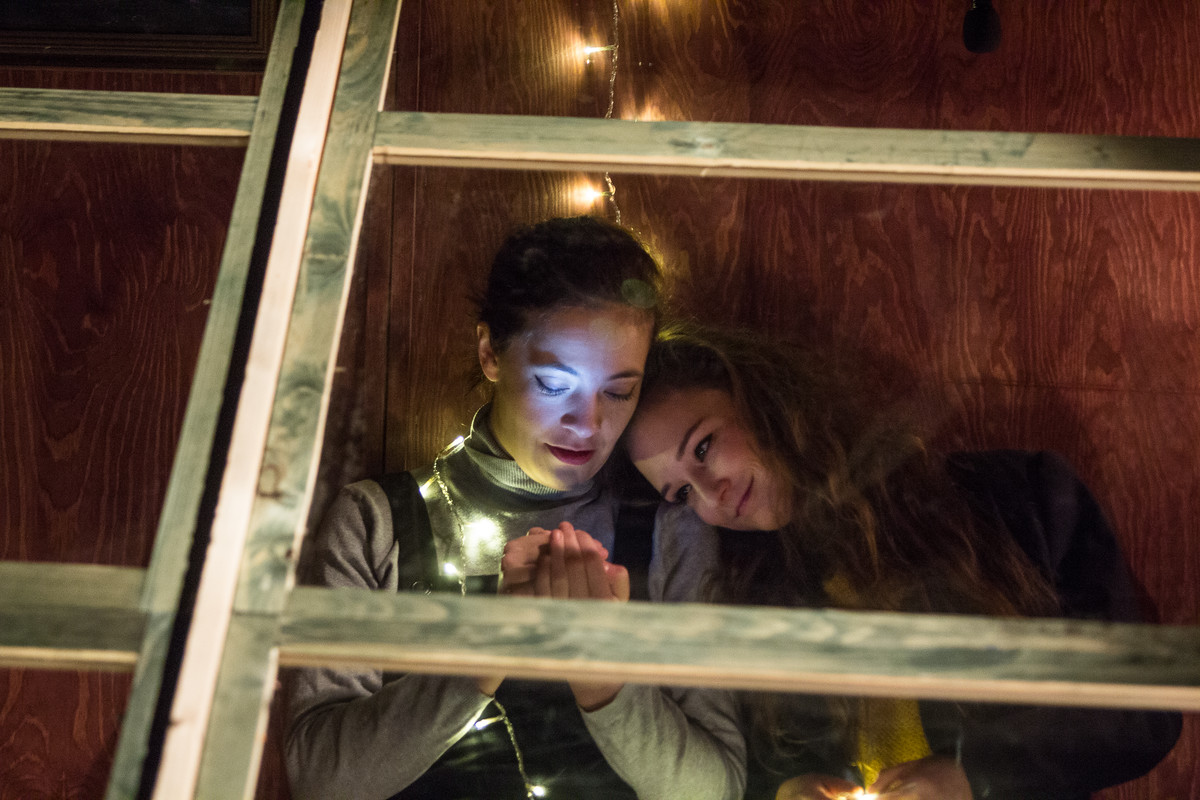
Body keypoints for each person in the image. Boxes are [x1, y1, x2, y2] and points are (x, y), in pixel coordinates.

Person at [284, 218, 745, 800]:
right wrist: (487, 646)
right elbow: (319, 780)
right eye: (554, 383)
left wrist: (602, 674)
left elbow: (718, 789)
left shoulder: (668, 527)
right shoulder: (377, 521)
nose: (589, 423)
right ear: (490, 353)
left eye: (618, 391)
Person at [622, 321, 1182, 800]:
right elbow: (768, 760)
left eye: (703, 448)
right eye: (682, 493)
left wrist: (974, 776)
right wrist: (789, 786)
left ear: (762, 399)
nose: (710, 495)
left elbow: (1141, 713)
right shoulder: (750, 592)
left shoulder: (1019, 498)